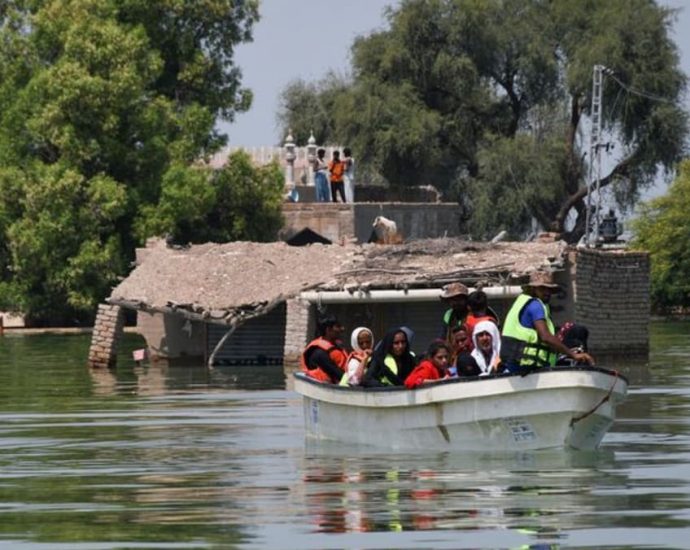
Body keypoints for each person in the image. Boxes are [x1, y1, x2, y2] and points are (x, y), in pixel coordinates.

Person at [500, 271, 595, 374]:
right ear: (533, 289)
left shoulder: (522, 301)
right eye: (542, 288)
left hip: (515, 364)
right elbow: (546, 337)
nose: (547, 292)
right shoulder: (535, 306)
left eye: (549, 289)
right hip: (525, 367)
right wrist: (573, 355)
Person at [300, 314, 348, 383]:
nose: (342, 329)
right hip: (330, 384)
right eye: (338, 326)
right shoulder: (319, 353)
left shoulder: (337, 346)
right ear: (328, 330)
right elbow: (338, 374)